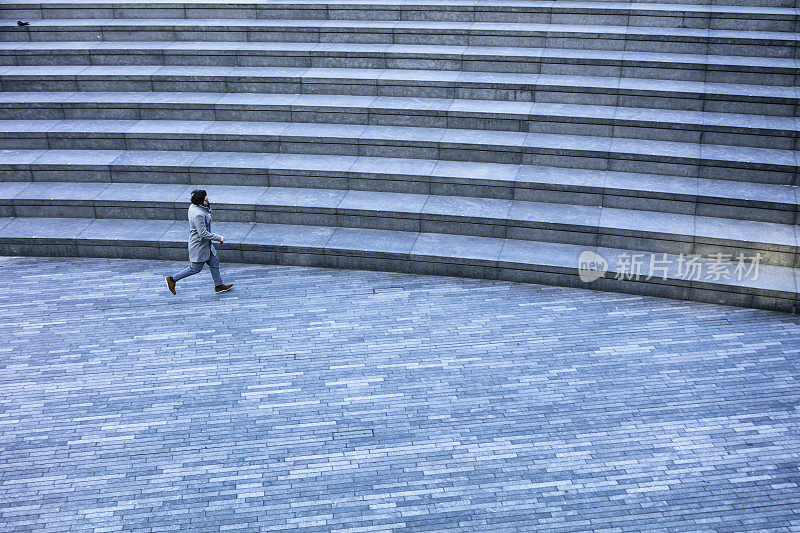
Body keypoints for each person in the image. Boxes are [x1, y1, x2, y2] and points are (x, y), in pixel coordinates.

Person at [165, 189, 233, 295]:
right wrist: (218, 237)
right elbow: (202, 233)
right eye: (205, 200)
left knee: (214, 262)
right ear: (200, 202)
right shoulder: (198, 214)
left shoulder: (195, 207)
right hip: (199, 246)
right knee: (195, 268)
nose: (208, 201)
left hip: (205, 244)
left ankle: (219, 285)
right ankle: (172, 279)